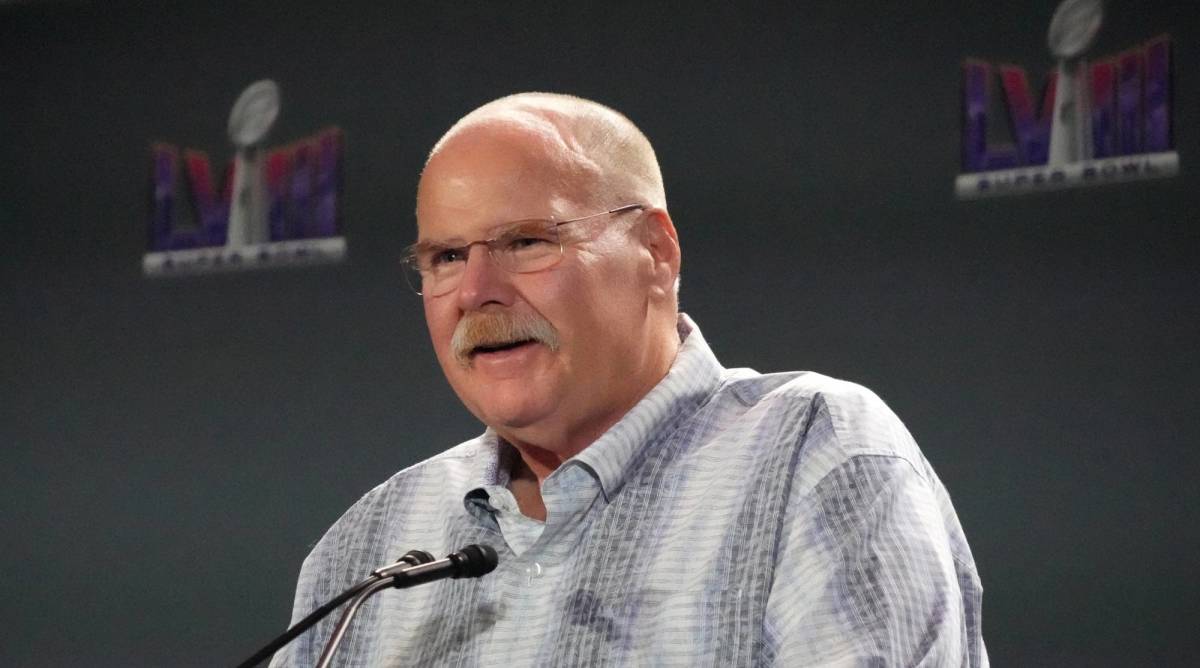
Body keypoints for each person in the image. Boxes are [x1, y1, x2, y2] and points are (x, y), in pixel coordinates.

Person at [271, 92, 987, 666]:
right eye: (447, 258)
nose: (477, 292)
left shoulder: (811, 456)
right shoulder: (367, 552)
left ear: (655, 251)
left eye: (526, 242)